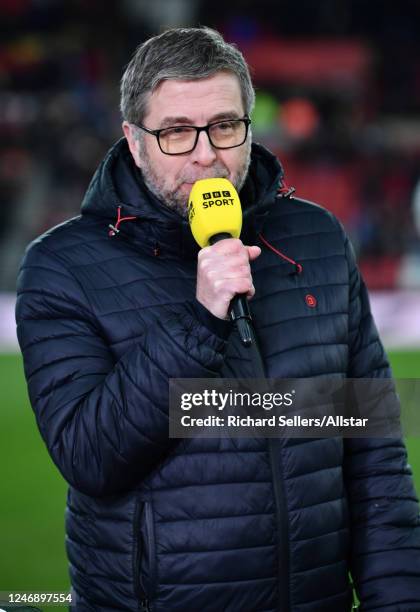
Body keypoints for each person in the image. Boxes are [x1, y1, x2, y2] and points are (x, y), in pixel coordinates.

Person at [15, 27, 420, 612]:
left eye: (225, 126)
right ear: (133, 141)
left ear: (249, 129)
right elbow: (89, 456)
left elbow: (373, 452)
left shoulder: (319, 238)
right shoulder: (63, 266)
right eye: (177, 132)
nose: (207, 153)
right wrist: (201, 320)